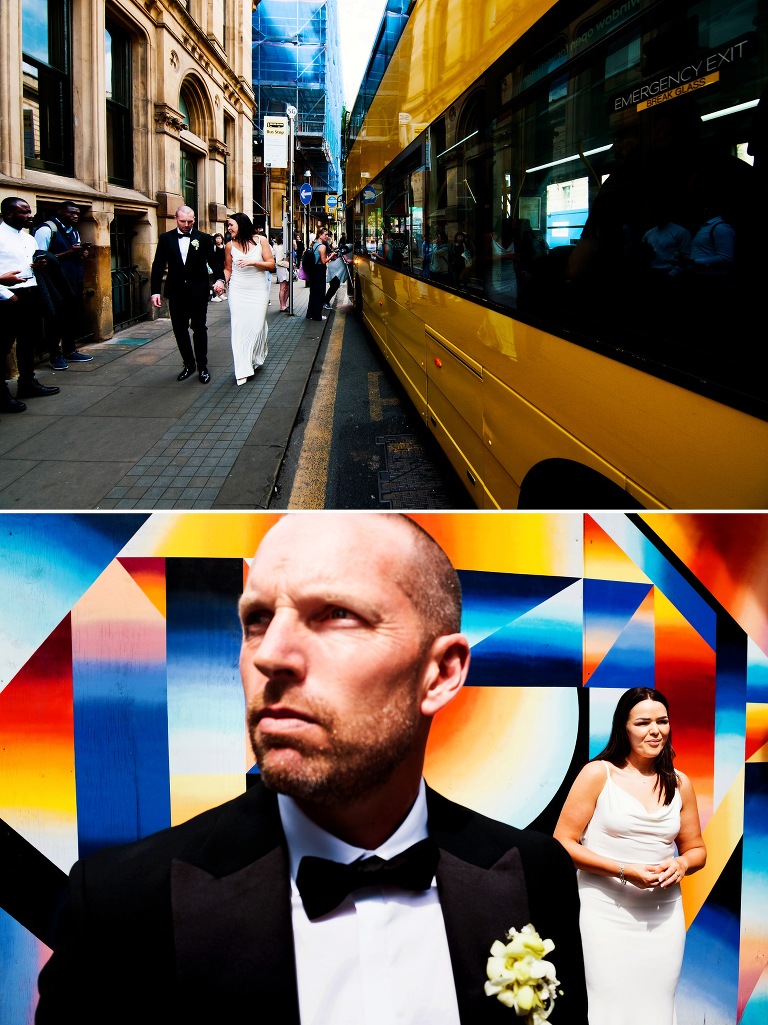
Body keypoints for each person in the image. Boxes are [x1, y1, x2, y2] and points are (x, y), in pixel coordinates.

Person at [36, 513, 588, 1025]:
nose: (269, 655)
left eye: (336, 615)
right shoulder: (121, 907)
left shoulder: (534, 874)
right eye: (257, 620)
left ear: (440, 673)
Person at [554, 687, 706, 1025]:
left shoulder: (680, 783)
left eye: (662, 721)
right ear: (623, 727)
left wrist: (681, 863)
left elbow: (697, 850)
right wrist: (623, 870)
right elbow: (562, 842)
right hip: (604, 913)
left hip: (663, 918)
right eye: (643, 723)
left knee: (656, 1006)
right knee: (606, 1007)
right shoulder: (598, 774)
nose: (655, 730)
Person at [150, 206, 225, 384]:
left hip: (198, 291)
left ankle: (202, 367)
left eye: (190, 221)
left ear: (194, 220)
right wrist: (155, 291)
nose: (186, 225)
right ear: (175, 219)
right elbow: (158, 265)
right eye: (183, 221)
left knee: (199, 328)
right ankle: (189, 364)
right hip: (176, 292)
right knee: (179, 329)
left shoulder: (204, 238)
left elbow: (214, 262)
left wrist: (220, 279)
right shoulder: (166, 238)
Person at [0, 196, 60, 413]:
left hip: (30, 293)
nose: (29, 215)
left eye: (29, 211)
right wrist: (5, 294)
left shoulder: (28, 238)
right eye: (24, 211)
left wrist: (38, 265)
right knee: (3, 346)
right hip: (7, 297)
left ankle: (27, 383)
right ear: (8, 214)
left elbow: (29, 264)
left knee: (28, 341)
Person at [33, 201, 94, 367]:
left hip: (73, 280)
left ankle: (70, 350)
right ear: (59, 212)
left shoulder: (74, 231)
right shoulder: (46, 229)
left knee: (71, 317)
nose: (75, 216)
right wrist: (68, 253)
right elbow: (40, 258)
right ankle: (55, 355)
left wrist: (81, 253)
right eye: (71, 213)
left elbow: (74, 254)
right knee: (55, 319)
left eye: (77, 214)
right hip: (54, 283)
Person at [223, 212, 275, 385]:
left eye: (231, 225)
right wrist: (221, 282)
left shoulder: (261, 241)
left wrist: (253, 262)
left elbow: (271, 264)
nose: (229, 228)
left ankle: (255, 356)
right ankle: (242, 369)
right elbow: (228, 269)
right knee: (239, 328)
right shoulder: (229, 246)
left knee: (257, 327)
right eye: (228, 226)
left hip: (258, 289)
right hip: (237, 290)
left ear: (241, 224)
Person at [305, 225, 332, 321]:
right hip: (319, 270)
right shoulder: (322, 246)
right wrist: (331, 256)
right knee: (320, 293)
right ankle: (317, 315)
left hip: (313, 270)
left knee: (313, 293)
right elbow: (323, 261)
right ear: (320, 235)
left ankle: (310, 314)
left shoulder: (314, 245)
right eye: (325, 234)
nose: (327, 237)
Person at [273, 238, 291, 312]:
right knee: (283, 287)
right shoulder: (281, 248)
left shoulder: (284, 247)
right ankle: (282, 305)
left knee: (287, 287)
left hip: (284, 269)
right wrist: (289, 264)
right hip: (282, 269)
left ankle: (284, 304)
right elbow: (278, 261)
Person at [209, 233, 226, 301]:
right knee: (214, 280)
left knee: (221, 279)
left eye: (219, 238)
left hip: (222, 265)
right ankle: (214, 295)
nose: (218, 240)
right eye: (217, 238)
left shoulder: (224, 246)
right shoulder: (213, 247)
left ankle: (220, 294)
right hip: (215, 266)